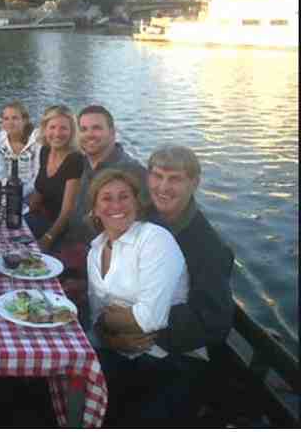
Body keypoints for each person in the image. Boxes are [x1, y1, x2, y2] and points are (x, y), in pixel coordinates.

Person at [97, 146, 235, 426]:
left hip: (178, 358)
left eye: (175, 179)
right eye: (157, 176)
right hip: (128, 344)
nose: (163, 187)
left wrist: (137, 323)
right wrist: (110, 335)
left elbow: (214, 322)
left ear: (194, 183)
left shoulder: (209, 248)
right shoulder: (140, 218)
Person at [84, 168, 190, 428]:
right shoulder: (95, 251)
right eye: (106, 198)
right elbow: (97, 317)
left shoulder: (154, 239)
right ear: (95, 209)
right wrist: (111, 336)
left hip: (163, 356)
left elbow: (150, 319)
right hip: (117, 347)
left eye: (124, 197)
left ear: (136, 203)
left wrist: (110, 320)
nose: (116, 205)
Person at [65, 105, 147, 245]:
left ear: (112, 133)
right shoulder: (83, 163)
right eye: (83, 129)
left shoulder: (131, 171)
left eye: (96, 128)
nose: (89, 134)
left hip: (103, 249)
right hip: (72, 241)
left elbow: (141, 223)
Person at [25, 105, 84, 253]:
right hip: (41, 218)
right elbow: (40, 189)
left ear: (72, 132)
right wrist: (23, 217)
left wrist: (47, 238)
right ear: (45, 129)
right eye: (52, 127)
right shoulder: (45, 150)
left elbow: (67, 212)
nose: (57, 133)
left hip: (63, 230)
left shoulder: (75, 160)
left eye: (63, 128)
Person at [0, 100, 41, 199]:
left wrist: (21, 192)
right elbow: (1, 172)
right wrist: (5, 193)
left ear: (25, 120)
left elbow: (38, 175)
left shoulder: (36, 140)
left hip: (31, 192)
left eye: (15, 118)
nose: (10, 122)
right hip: (5, 190)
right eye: (6, 119)